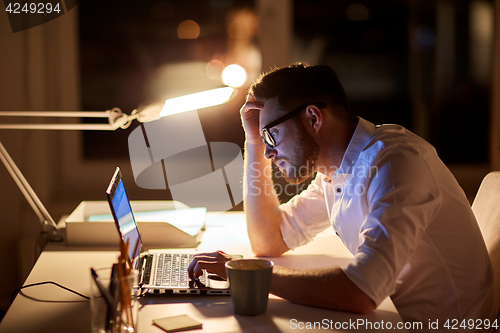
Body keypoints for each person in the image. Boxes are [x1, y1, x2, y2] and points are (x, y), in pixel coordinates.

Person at [187, 63, 496, 328]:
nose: (269, 153)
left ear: (313, 118)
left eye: (272, 135)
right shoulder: (337, 168)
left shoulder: (395, 164)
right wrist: (253, 141)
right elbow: (269, 239)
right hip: (396, 320)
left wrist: (245, 273)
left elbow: (360, 293)